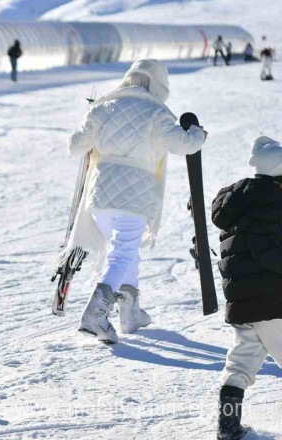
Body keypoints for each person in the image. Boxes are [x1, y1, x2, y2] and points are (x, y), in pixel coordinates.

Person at [65, 59, 207, 343]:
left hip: (100, 195)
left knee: (125, 251)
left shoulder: (104, 106)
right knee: (123, 252)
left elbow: (75, 146)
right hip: (135, 195)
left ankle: (131, 313)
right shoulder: (157, 112)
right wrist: (198, 135)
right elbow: (183, 144)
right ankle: (96, 312)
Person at [210, 136, 282, 440]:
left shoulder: (237, 203)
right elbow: (271, 254)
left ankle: (228, 428)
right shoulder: (273, 203)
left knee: (239, 365)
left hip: (242, 302)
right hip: (274, 302)